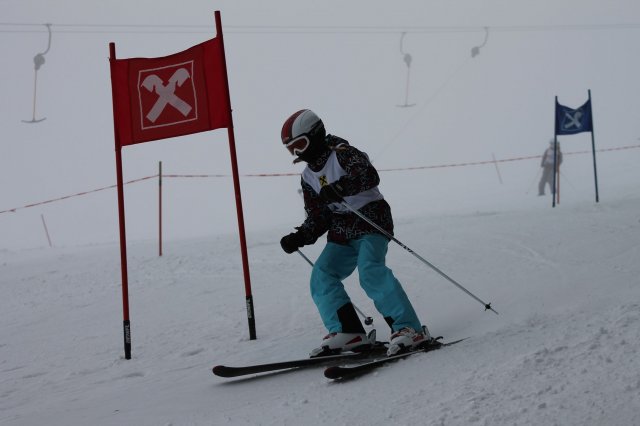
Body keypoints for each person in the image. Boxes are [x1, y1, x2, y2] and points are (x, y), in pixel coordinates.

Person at [278, 109, 430, 357]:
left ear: (315, 135)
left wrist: (340, 187)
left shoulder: (343, 154)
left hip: (371, 220)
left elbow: (369, 176)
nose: (298, 154)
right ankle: (348, 332)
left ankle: (408, 328)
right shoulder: (307, 177)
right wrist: (301, 236)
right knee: (322, 274)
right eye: (291, 149)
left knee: (370, 271)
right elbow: (319, 215)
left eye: (300, 145)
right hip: (341, 229)